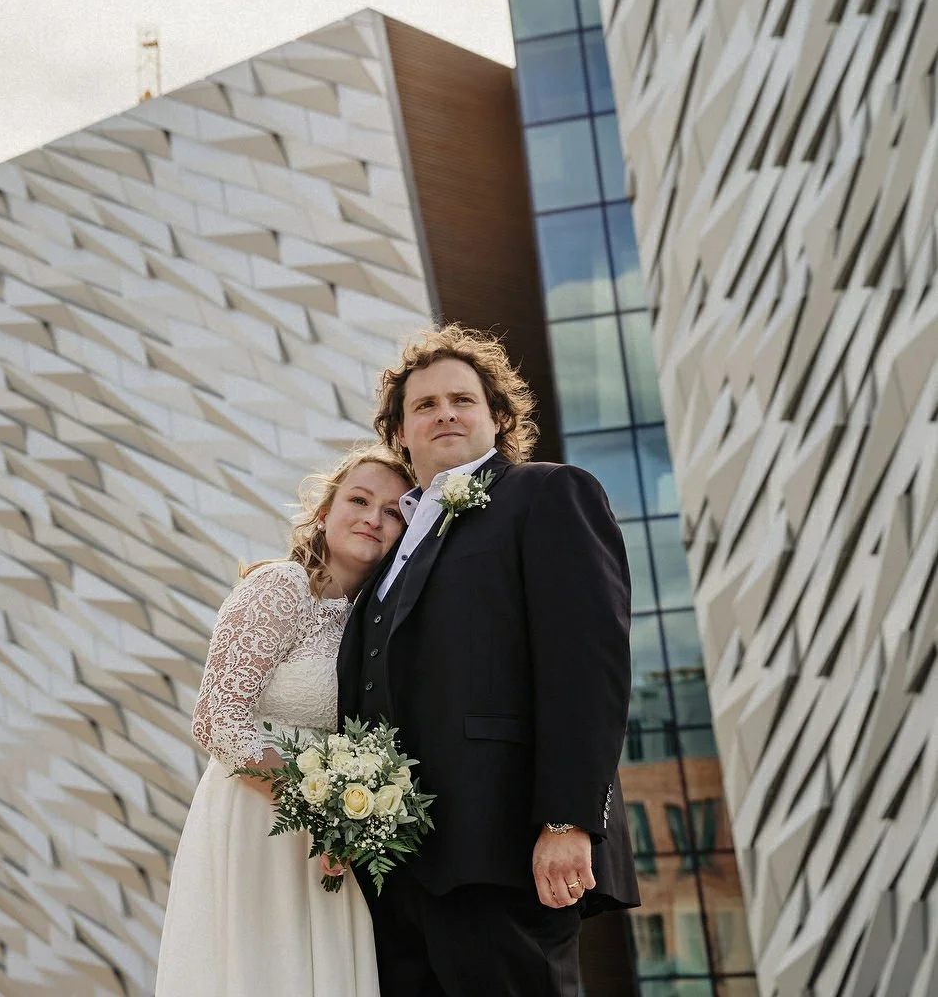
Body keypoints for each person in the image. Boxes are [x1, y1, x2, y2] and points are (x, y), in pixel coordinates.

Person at [337, 323, 640, 996]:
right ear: (400, 434)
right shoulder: (390, 545)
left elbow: (588, 665)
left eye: (462, 400)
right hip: (398, 871)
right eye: (424, 405)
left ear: (498, 419)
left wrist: (567, 819)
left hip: (502, 850)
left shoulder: (547, 495)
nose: (444, 412)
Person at [155, 444, 416, 997]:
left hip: (335, 835)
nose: (373, 517)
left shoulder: (374, 620)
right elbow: (217, 719)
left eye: (393, 511)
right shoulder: (281, 587)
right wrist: (318, 807)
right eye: (360, 500)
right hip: (259, 821)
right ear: (324, 511)